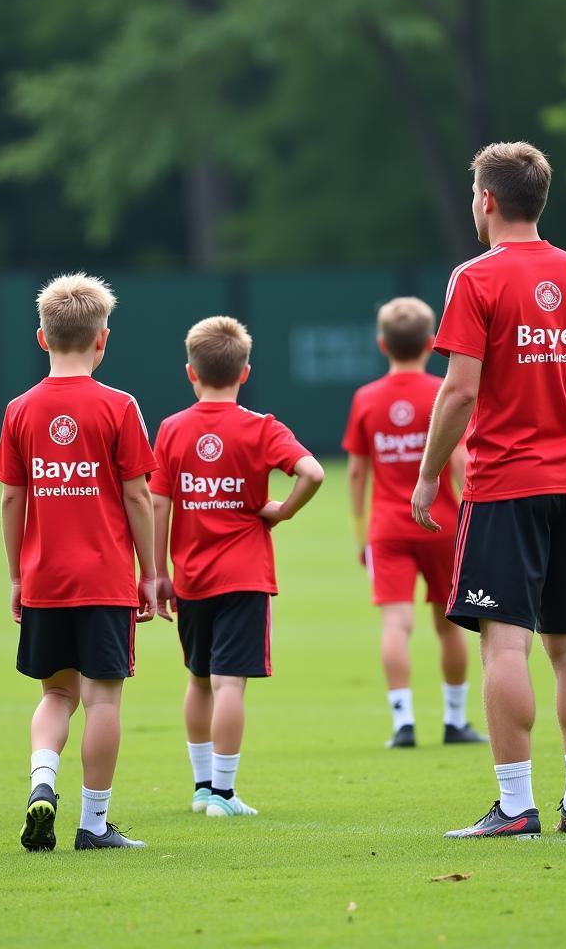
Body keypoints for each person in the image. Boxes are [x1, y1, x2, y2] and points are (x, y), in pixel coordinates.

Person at [411, 141, 566, 838]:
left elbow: (459, 392)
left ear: (489, 201)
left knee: (507, 647)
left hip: (505, 487)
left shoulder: (474, 278)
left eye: (475, 192)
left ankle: (514, 806)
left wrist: (425, 474)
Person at [0, 274, 161, 852]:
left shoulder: (19, 410)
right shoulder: (119, 406)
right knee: (104, 699)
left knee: (56, 695)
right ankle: (93, 824)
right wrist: (152, 572)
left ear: (42, 338)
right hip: (106, 578)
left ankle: (44, 785)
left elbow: (13, 498)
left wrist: (17, 575)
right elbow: (138, 495)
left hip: (44, 580)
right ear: (102, 340)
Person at [150, 316, 324, 817]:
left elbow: (159, 504)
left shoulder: (172, 430)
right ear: (244, 372)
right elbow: (312, 472)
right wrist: (283, 510)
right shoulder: (261, 427)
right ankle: (224, 795)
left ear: (191, 372)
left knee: (198, 679)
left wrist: (159, 572)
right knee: (230, 683)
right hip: (244, 575)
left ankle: (202, 787)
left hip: (191, 576)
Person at [343, 297, 485, 749]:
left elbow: (356, 471)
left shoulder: (366, 398)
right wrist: (472, 514)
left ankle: (403, 722)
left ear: (382, 343)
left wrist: (360, 532)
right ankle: (454, 720)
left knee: (395, 624)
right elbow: (462, 459)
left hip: (388, 526)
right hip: (443, 525)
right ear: (430, 343)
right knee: (451, 624)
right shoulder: (441, 393)